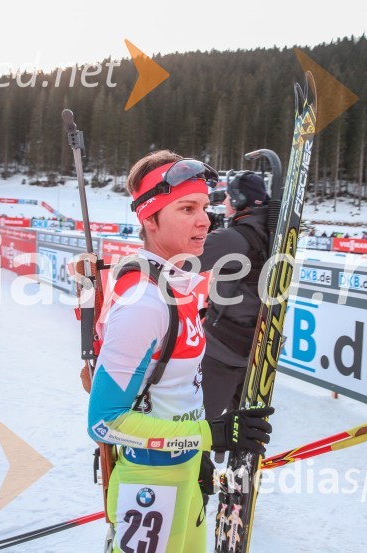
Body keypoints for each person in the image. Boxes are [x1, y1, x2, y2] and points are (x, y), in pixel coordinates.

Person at [87, 151, 273, 553]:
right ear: (149, 218)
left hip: (185, 475)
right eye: (187, 208)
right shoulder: (144, 303)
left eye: (205, 207)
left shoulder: (180, 286)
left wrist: (199, 453)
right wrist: (208, 433)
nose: (205, 220)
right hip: (150, 486)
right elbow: (104, 424)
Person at [194, 171, 271, 419]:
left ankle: (198, 459)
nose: (225, 202)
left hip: (220, 349)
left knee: (197, 427)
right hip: (254, 350)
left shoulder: (233, 238)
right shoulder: (271, 233)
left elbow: (183, 260)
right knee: (240, 431)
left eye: (228, 197)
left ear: (238, 200)